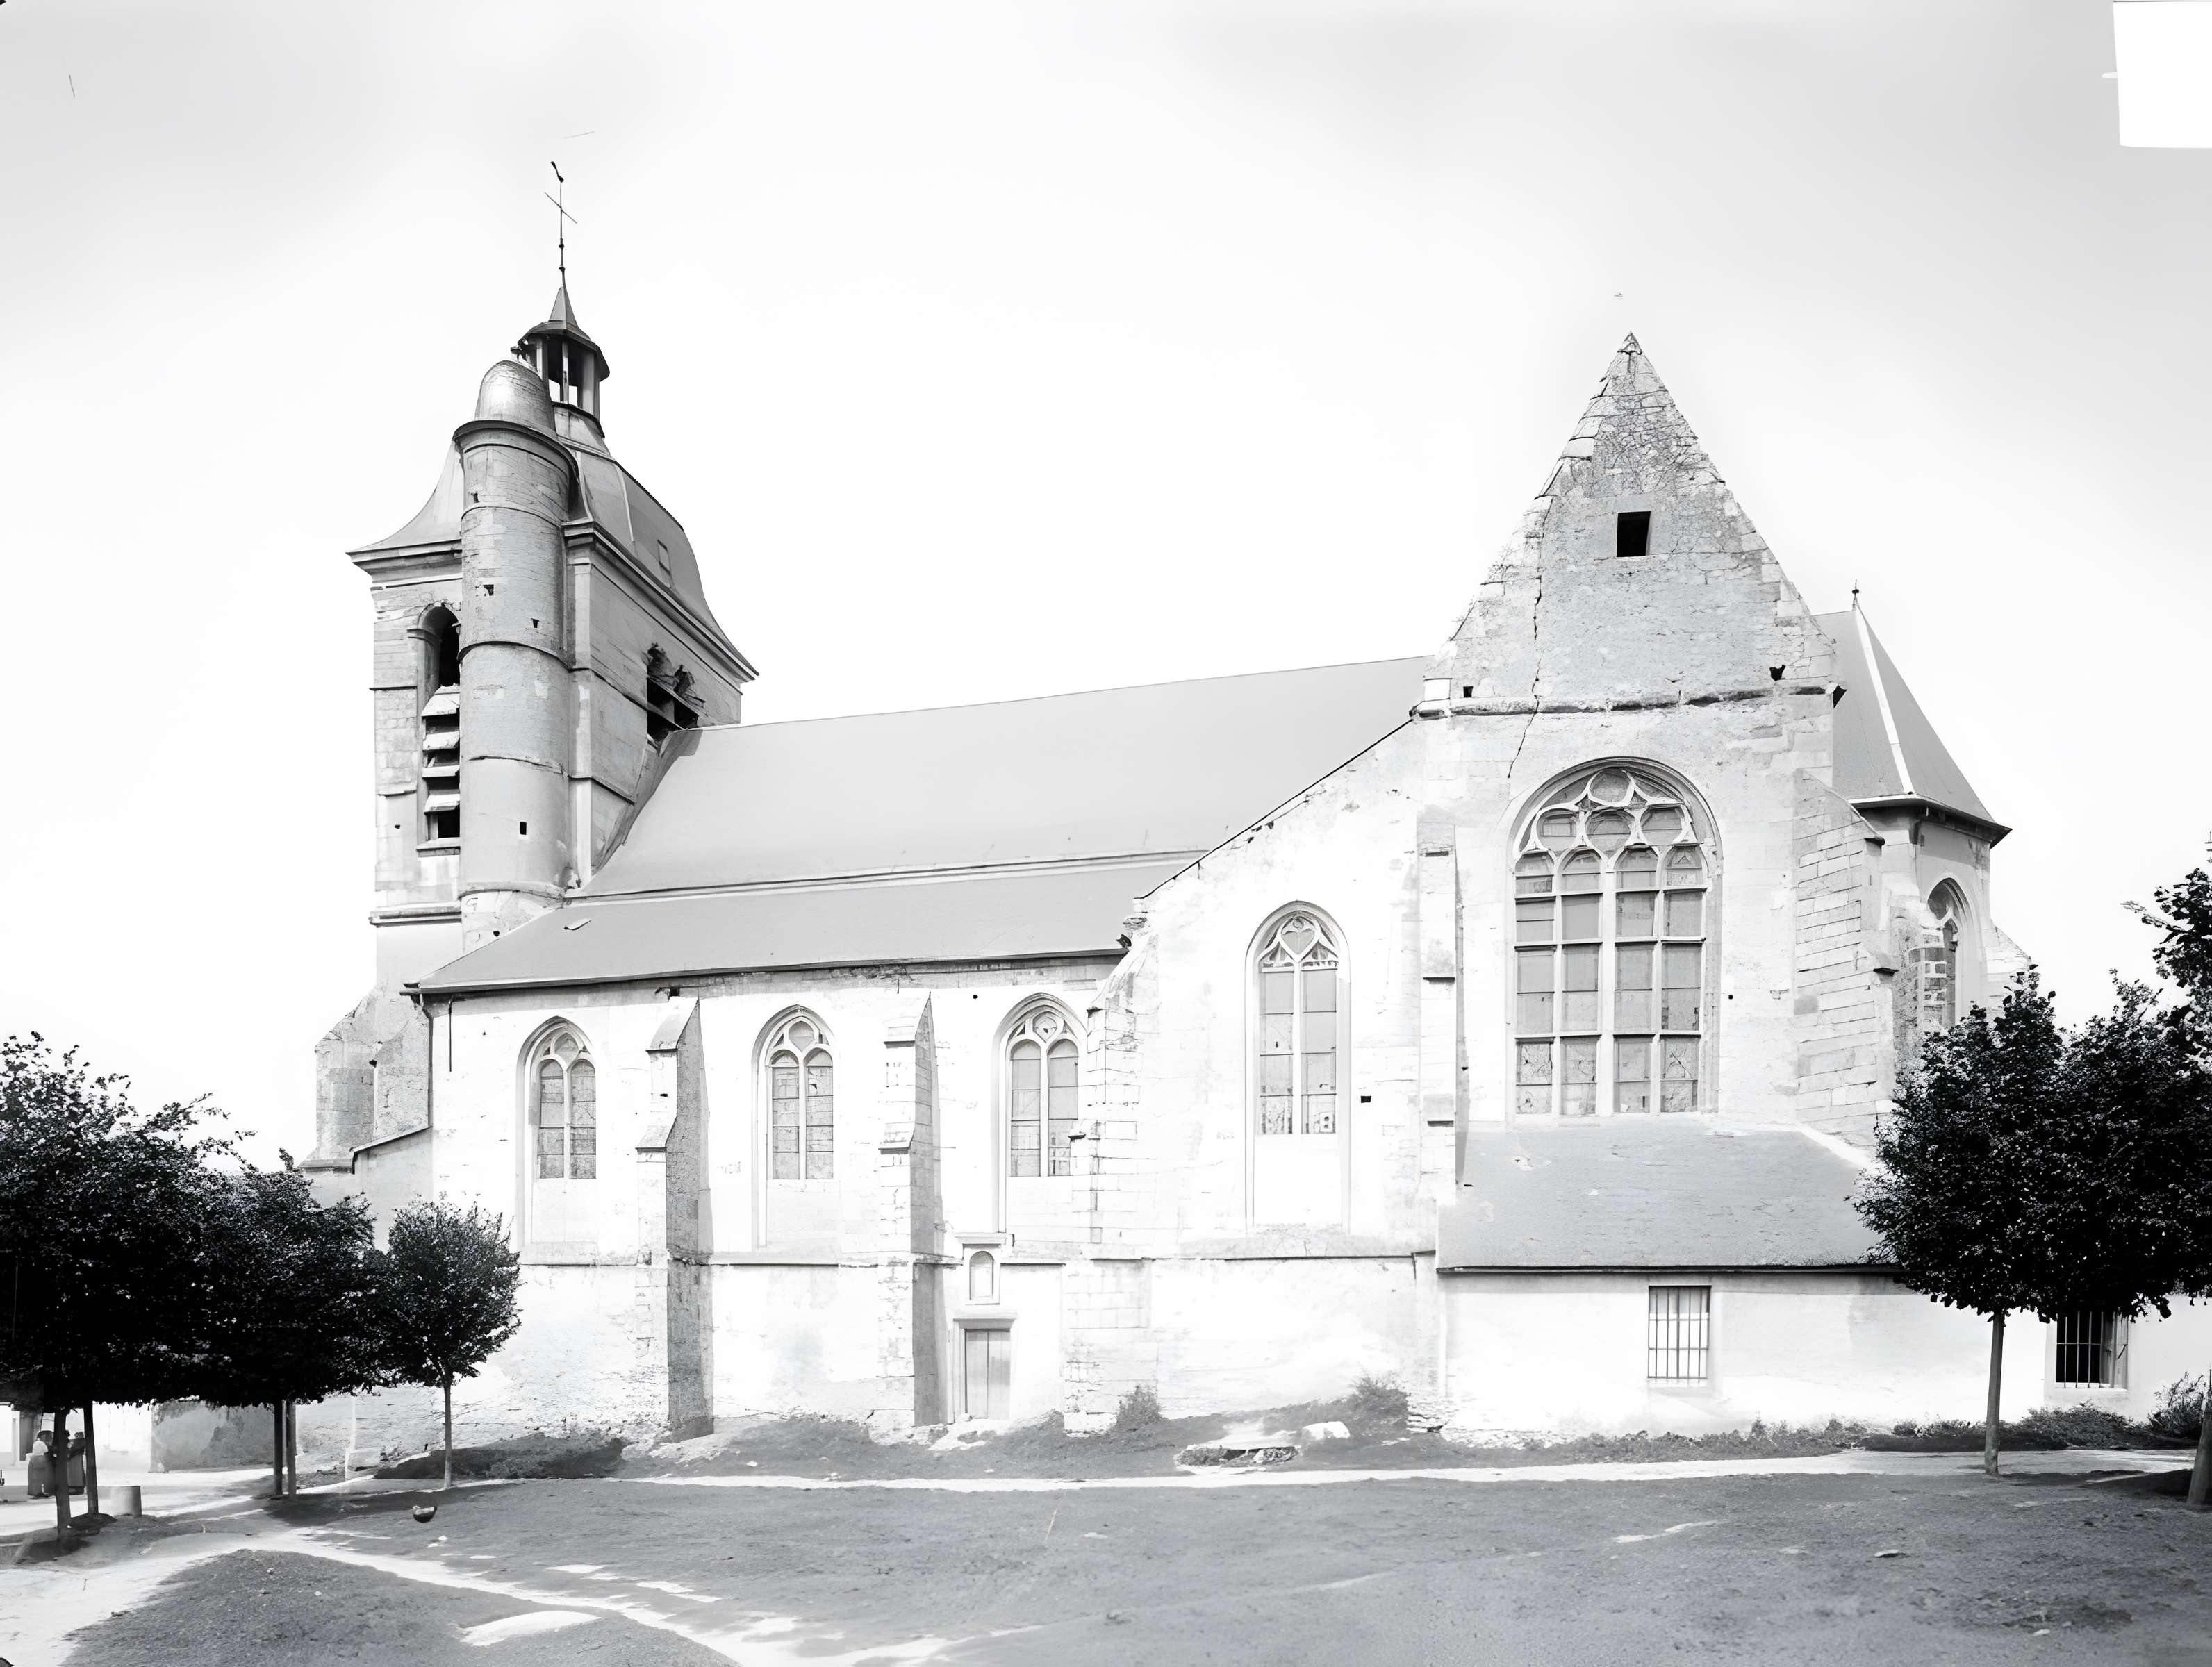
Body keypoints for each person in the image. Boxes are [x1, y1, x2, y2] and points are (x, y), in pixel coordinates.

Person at [26, 1430, 53, 1500]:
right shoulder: (42, 1443)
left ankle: (36, 1492)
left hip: (34, 1460)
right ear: (43, 1437)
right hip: (40, 1460)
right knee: (40, 1478)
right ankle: (39, 1493)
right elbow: (46, 1450)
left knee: (35, 1478)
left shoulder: (36, 1443)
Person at [66, 1430, 87, 1495]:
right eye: (77, 1436)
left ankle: (77, 1488)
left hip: (75, 1460)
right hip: (76, 1460)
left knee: (77, 1473)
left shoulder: (73, 1442)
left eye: (79, 1436)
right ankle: (78, 1488)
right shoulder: (76, 1442)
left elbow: (70, 1449)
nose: (78, 1437)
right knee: (78, 1473)